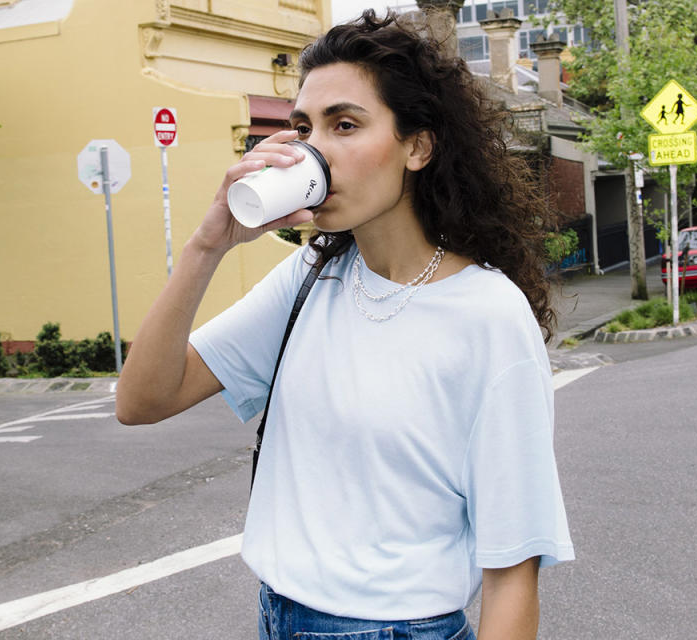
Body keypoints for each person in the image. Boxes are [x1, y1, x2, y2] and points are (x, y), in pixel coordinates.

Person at [117, 10, 573, 639]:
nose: (316, 149)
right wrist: (207, 244)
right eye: (304, 127)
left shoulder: (488, 315)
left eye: (345, 125)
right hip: (278, 615)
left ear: (417, 146)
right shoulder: (312, 276)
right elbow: (142, 400)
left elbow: (513, 567)